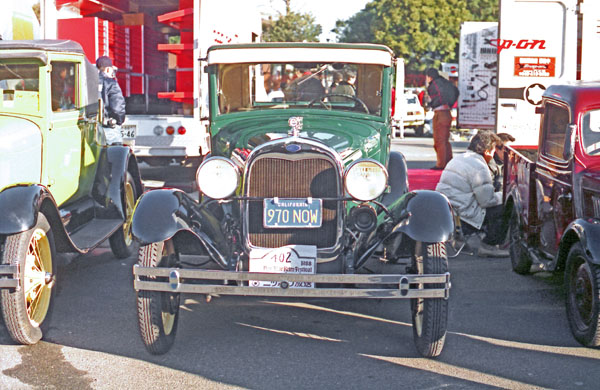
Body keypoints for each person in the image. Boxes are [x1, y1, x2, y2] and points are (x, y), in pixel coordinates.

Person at [436, 130, 509, 257]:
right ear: (487, 152)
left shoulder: (458, 158)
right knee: (506, 208)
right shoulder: (479, 166)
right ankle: (489, 245)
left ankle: (462, 239)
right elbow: (487, 201)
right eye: (492, 151)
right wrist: (506, 195)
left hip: (448, 212)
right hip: (465, 215)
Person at [425, 68, 459, 169]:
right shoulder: (446, 82)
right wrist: (450, 104)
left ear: (429, 77)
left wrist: (432, 104)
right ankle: (448, 162)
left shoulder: (434, 84)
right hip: (447, 112)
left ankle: (441, 164)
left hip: (440, 113)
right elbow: (456, 91)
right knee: (445, 140)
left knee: (439, 140)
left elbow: (437, 97)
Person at [96, 56, 126, 145]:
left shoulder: (88, 82)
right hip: (108, 127)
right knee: (114, 155)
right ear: (108, 69)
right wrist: (119, 121)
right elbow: (117, 108)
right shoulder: (111, 83)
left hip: (90, 127)